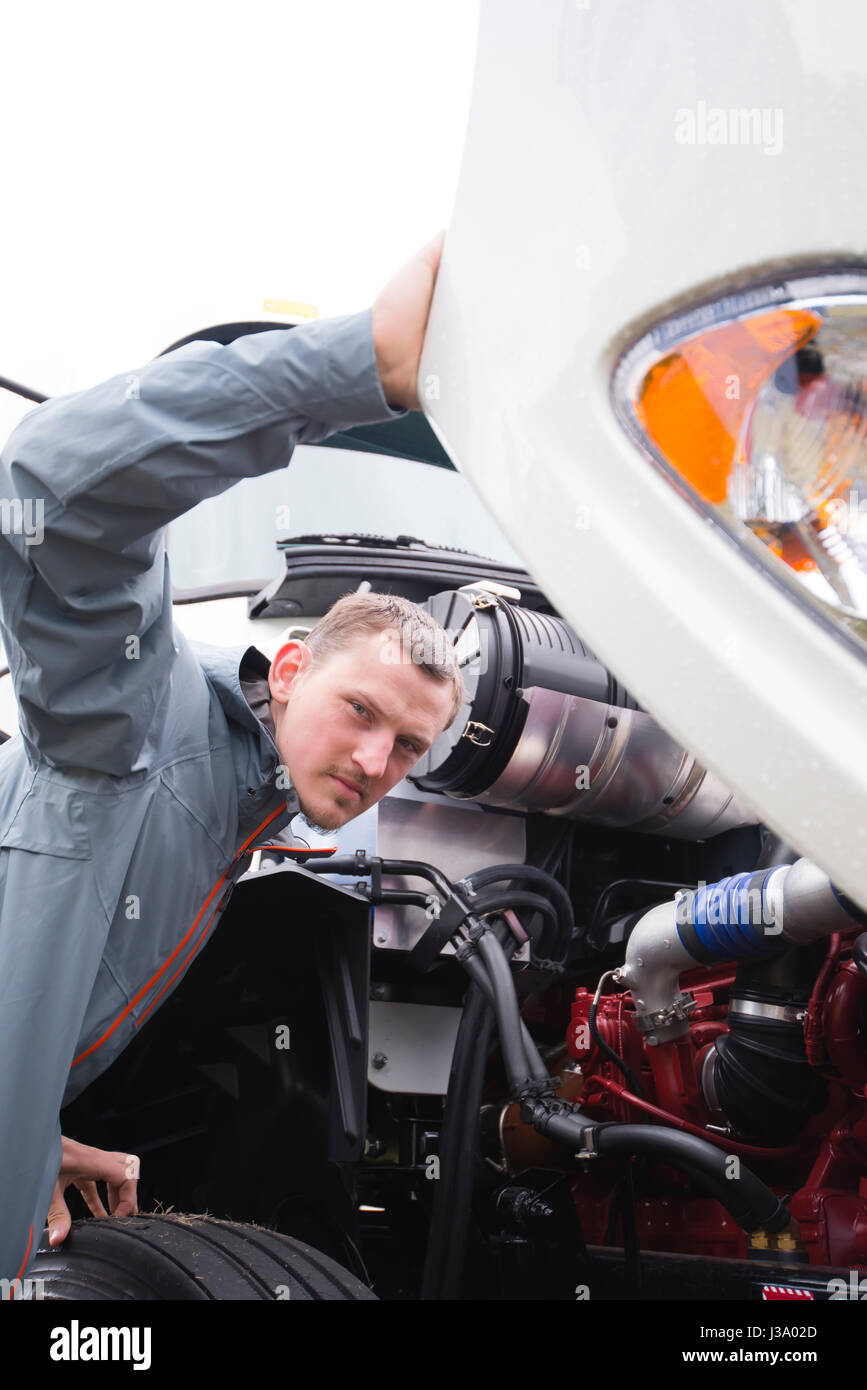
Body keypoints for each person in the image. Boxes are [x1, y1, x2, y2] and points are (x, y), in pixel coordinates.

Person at [0, 231, 463, 1282]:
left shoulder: (249, 808)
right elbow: (52, 500)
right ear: (290, 666)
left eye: (410, 746)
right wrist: (355, 366)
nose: (374, 759)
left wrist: (30, 1134)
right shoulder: (141, 708)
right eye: (359, 709)